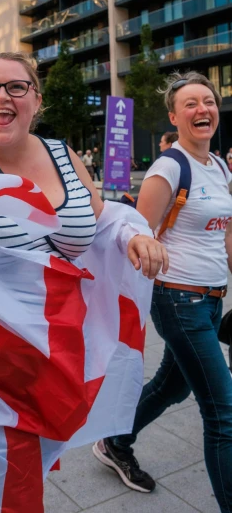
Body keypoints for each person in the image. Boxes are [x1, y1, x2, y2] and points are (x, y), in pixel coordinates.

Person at [0, 51, 167, 513]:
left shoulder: (63, 156)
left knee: (10, 486)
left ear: (35, 100)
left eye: (16, 87)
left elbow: (99, 220)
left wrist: (132, 235)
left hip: (54, 359)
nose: (2, 95)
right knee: (11, 495)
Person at [93, 71, 232, 510]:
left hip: (211, 300)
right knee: (223, 414)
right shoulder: (170, 166)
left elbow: (223, 234)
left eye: (207, 101)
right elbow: (136, 232)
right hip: (179, 300)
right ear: (174, 116)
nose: (201, 109)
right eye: (190, 103)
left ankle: (115, 441)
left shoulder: (220, 165)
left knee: (173, 387)